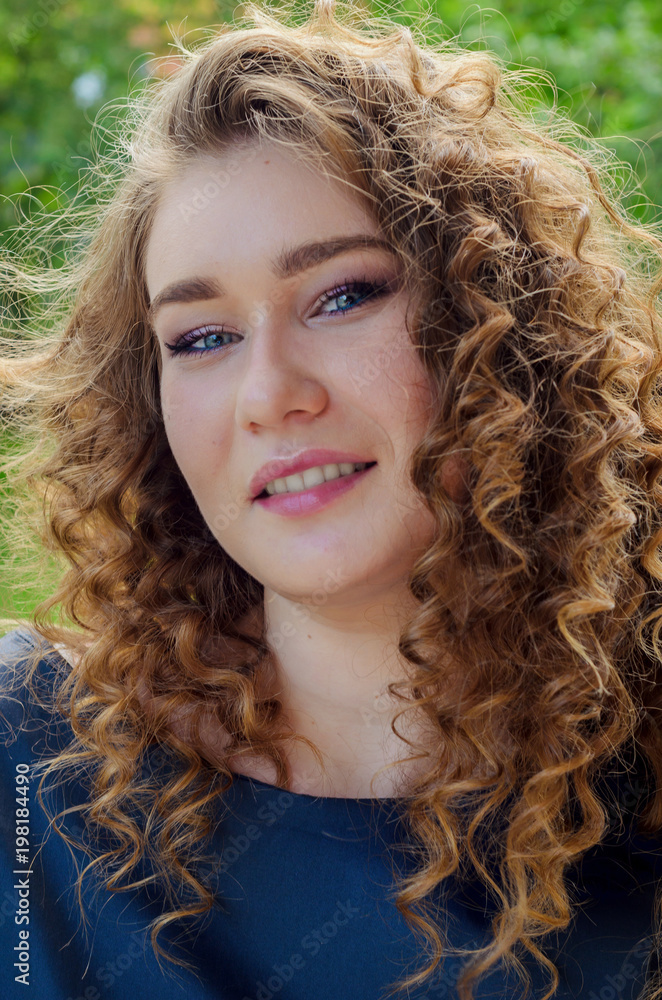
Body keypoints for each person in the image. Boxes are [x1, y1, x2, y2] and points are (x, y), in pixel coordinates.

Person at [1, 1, 662, 997]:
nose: (269, 393)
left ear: (503, 329)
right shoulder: (28, 769)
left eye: (341, 295)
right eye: (201, 338)